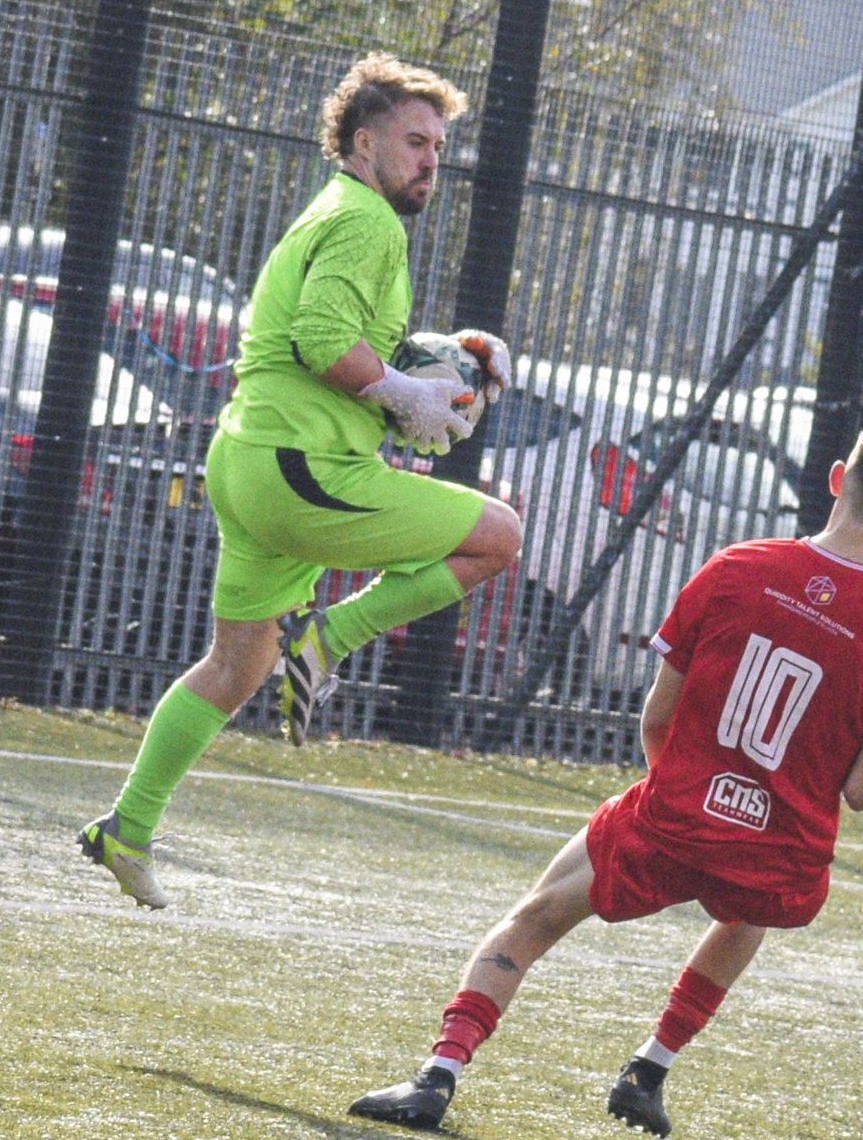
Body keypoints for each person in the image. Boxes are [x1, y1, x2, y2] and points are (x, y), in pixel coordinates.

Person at [347, 423, 863, 1136]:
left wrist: (690, 798)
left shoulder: (736, 567)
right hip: (779, 851)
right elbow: (862, 793)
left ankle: (438, 1075)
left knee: (535, 918)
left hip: (674, 817)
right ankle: (649, 1068)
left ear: (837, 477)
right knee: (748, 904)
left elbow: (657, 717)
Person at [75, 54, 526, 910]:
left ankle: (128, 828)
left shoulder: (339, 211)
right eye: (415, 140)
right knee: (499, 535)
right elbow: (323, 340)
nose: (432, 158)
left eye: (439, 145)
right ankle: (335, 639)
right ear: (364, 142)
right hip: (301, 465)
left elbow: (328, 335)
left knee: (237, 664)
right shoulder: (368, 223)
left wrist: (444, 360)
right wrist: (404, 393)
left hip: (249, 461)